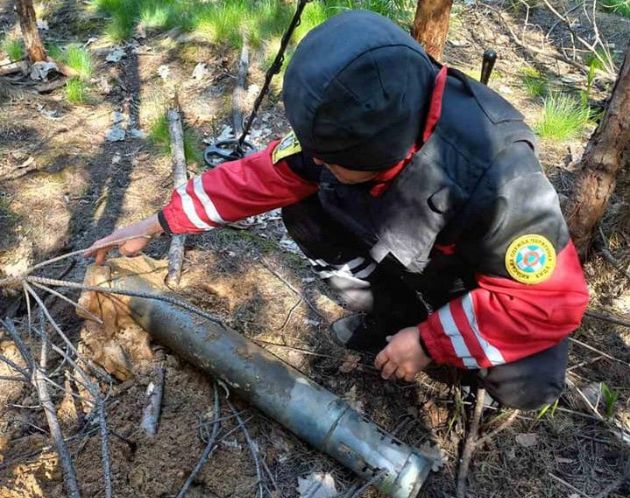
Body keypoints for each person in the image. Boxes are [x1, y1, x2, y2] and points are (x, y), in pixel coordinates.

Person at [86, 10, 589, 410]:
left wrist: (432, 342)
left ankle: (437, 350)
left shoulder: (500, 180)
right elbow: (263, 175)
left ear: (383, 155)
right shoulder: (352, 115)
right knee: (304, 210)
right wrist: (159, 223)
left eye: (331, 159)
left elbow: (551, 301)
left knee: (530, 384)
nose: (314, 159)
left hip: (475, 280)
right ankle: (390, 319)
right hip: (404, 247)